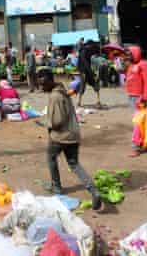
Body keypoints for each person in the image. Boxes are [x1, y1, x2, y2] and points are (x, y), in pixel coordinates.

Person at [38, 69, 101, 209]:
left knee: (51, 158)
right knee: (74, 164)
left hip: (60, 136)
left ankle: (57, 187)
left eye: (43, 84)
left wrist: (46, 124)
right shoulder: (62, 90)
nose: (42, 87)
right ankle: (94, 191)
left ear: (49, 81)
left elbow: (57, 121)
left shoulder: (55, 96)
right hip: (74, 134)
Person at [125, 45, 147, 157]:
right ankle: (146, 144)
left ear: (135, 53)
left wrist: (145, 97)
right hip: (132, 97)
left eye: (129, 54)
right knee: (142, 123)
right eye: (127, 54)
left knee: (138, 123)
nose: (127, 56)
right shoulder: (132, 65)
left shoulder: (143, 65)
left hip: (140, 98)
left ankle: (136, 147)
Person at [77, 41, 101, 108]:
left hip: (87, 71)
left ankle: (98, 101)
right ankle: (79, 102)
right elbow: (85, 62)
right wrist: (90, 72)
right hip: (84, 71)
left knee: (94, 83)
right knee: (83, 85)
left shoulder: (86, 50)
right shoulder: (84, 51)